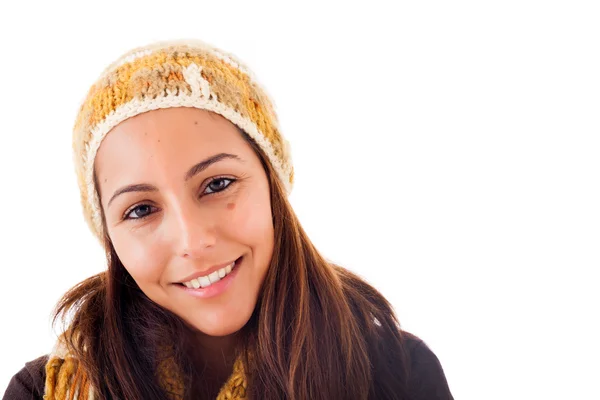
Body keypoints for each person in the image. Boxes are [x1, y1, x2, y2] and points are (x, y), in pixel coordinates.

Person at [3, 40, 453, 400]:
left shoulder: (400, 376)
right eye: (140, 209)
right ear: (110, 237)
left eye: (217, 184)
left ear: (272, 182)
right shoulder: (42, 392)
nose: (193, 240)